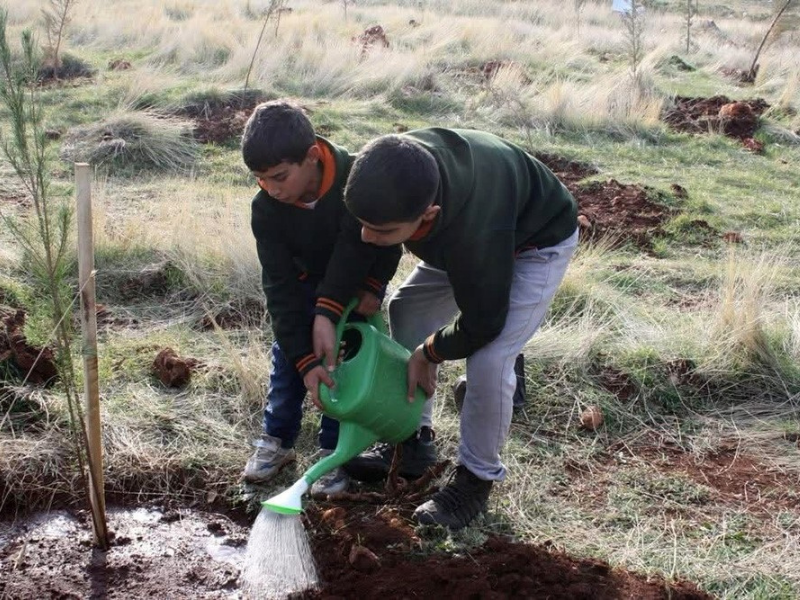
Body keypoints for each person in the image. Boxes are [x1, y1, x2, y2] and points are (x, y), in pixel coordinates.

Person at [316, 128, 578, 529]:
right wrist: (328, 312)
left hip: (533, 242)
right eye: (364, 223)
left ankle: (475, 480)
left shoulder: (476, 232)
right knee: (407, 308)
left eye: (384, 232)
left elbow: (483, 322)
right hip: (468, 235)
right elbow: (359, 237)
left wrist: (430, 352)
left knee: (490, 359)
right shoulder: (383, 173)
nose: (369, 237)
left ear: (428, 216)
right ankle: (411, 439)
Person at [240, 100, 401, 497]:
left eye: (279, 176)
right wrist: (304, 357)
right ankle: (277, 440)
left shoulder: (356, 179)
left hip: (353, 291)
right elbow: (277, 286)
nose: (272, 189)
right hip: (302, 289)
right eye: (261, 179)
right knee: (289, 361)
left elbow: (384, 242)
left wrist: (374, 286)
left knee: (342, 367)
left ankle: (334, 453)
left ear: (312, 156)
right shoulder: (266, 210)